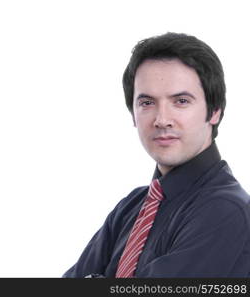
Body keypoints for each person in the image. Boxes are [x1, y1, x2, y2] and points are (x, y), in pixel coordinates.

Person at [64, 32, 250, 277]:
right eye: (147, 103)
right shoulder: (131, 207)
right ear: (133, 113)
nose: (162, 120)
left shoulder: (225, 211)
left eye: (181, 101)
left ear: (214, 111)